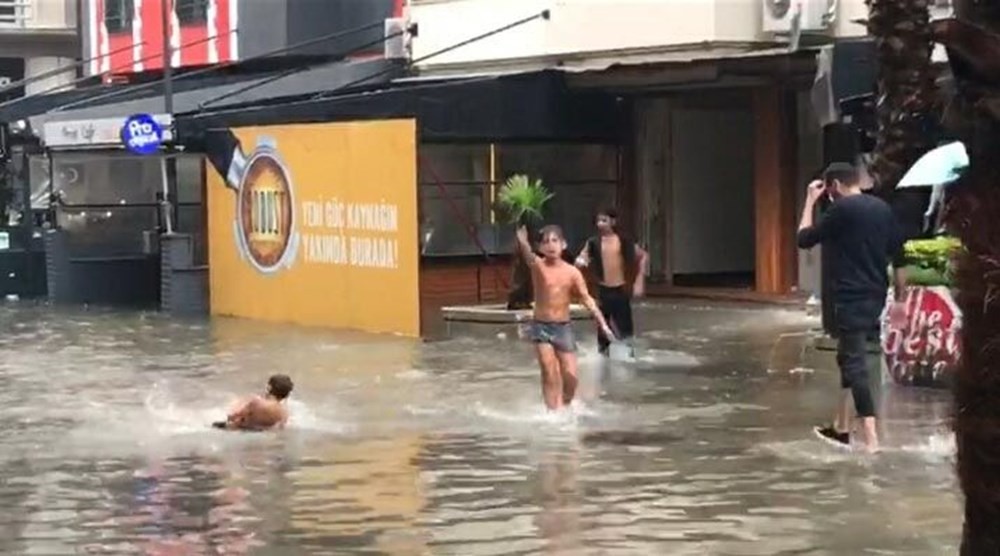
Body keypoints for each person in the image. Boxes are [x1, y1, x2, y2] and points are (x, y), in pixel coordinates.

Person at [797, 162, 907, 453]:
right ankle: (841, 428)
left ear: (833, 187)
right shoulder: (883, 209)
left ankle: (870, 437)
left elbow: (804, 239)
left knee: (855, 364)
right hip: (876, 296)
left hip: (850, 298)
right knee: (849, 359)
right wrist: (901, 299)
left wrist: (810, 200)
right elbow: (901, 256)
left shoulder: (841, 210)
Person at [516, 224, 615, 411]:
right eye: (546, 242)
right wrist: (523, 243)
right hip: (541, 326)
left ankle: (566, 406)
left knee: (571, 377)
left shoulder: (572, 272)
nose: (550, 245)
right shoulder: (538, 266)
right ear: (540, 248)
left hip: (563, 327)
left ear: (564, 244)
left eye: (555, 240)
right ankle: (552, 411)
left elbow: (587, 299)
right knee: (548, 369)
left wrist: (603, 325)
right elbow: (529, 257)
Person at [574, 208, 649, 356]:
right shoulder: (593, 242)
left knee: (625, 327)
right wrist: (580, 261)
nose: (600, 224)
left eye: (604, 220)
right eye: (598, 221)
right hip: (603, 290)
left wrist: (639, 280)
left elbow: (643, 256)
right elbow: (582, 257)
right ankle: (603, 357)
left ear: (613, 222)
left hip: (621, 289)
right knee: (602, 328)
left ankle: (629, 356)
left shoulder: (624, 240)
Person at [212, 374, 294, 431]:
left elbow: (232, 416)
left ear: (269, 387)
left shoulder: (256, 402)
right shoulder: (284, 413)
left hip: (239, 431)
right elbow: (279, 428)